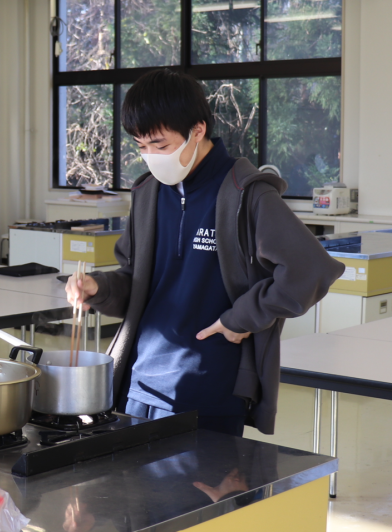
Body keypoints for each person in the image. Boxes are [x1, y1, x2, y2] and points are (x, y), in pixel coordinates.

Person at [66, 69, 344, 437]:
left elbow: (311, 269)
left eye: (160, 145)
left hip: (210, 389)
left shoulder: (247, 193)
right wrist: (97, 289)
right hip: (138, 382)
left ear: (197, 130)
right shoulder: (148, 193)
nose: (149, 156)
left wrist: (241, 318)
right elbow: (135, 284)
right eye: (141, 146)